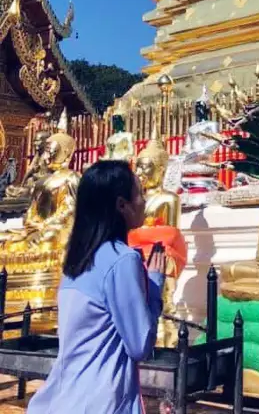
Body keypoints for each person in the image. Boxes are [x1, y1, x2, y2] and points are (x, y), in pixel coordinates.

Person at [28, 160, 166, 414]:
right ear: (122, 205)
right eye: (139, 193)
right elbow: (140, 345)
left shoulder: (77, 258)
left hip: (64, 397)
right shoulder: (122, 260)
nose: (145, 201)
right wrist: (155, 286)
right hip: (101, 401)